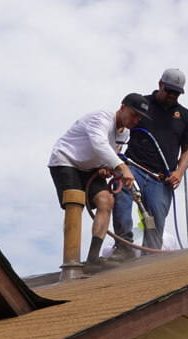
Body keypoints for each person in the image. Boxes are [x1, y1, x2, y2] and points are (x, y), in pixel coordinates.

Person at [48, 93, 148, 273]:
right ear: (123, 107)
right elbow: (100, 144)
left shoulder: (125, 133)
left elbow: (108, 154)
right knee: (75, 203)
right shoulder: (101, 118)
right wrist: (122, 167)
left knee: (106, 200)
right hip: (66, 160)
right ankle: (71, 263)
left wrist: (105, 168)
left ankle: (92, 259)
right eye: (134, 114)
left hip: (89, 168)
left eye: (140, 118)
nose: (136, 120)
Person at [110, 68, 188, 259]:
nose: (172, 96)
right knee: (121, 188)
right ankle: (124, 247)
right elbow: (120, 128)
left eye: (177, 93)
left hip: (161, 179)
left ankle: (150, 262)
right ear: (159, 85)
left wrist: (179, 172)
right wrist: (113, 160)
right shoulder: (142, 104)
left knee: (155, 223)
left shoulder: (185, 116)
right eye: (169, 91)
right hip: (133, 167)